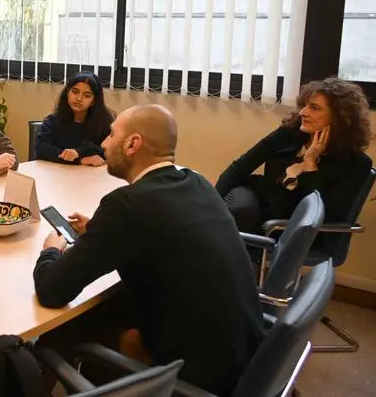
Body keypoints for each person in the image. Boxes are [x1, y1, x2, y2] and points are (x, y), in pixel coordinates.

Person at [33, 105, 264, 396]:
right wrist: (101, 231)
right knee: (100, 306)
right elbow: (160, 233)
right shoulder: (197, 182)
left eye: (112, 135)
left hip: (200, 377)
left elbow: (52, 291)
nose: (104, 143)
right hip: (245, 359)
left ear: (132, 144)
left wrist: (51, 251)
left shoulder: (127, 206)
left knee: (66, 327)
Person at [216, 77, 375, 235]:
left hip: (293, 226)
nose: (303, 112)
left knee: (243, 226)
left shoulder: (357, 163)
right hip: (258, 199)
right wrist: (210, 205)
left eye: (314, 108)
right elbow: (240, 167)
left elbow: (325, 213)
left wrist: (310, 162)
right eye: (305, 105)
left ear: (340, 117)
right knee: (239, 211)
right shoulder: (289, 133)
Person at [35, 72, 115, 166]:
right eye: (75, 92)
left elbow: (110, 151)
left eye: (87, 95)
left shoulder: (105, 123)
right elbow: (41, 150)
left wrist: (79, 152)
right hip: (58, 175)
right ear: (68, 93)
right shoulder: (52, 121)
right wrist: (79, 160)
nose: (79, 98)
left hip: (92, 176)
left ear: (94, 101)